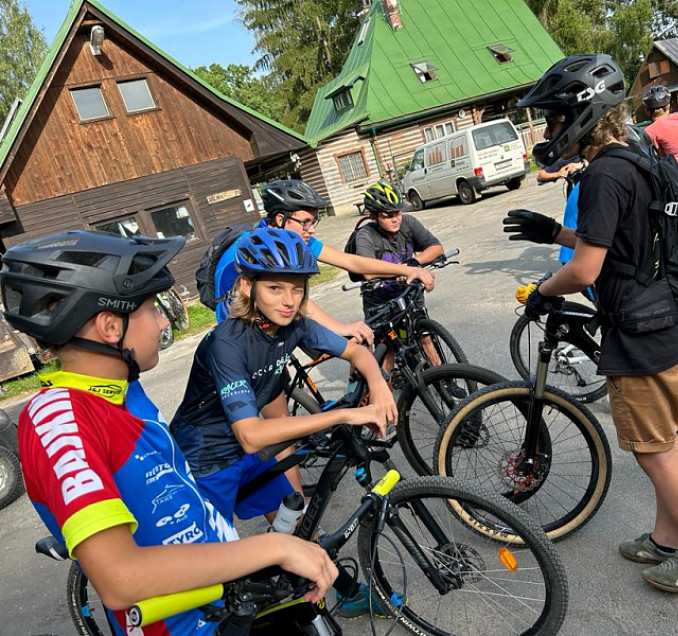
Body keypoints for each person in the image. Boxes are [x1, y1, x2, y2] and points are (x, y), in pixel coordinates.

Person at [1, 230, 337, 635]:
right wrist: (273, 546)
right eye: (152, 309)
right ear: (110, 326)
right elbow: (119, 577)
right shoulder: (59, 417)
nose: (162, 321)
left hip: (223, 598)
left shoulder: (125, 390)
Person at [503, 54, 678, 593]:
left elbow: (584, 270)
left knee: (656, 453)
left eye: (554, 120)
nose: (550, 132)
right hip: (673, 322)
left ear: (582, 116)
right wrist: (553, 232)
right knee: (663, 444)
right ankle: (666, 540)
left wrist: (542, 291)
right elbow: (621, 244)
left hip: (645, 338)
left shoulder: (604, 174)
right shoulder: (635, 156)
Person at [171, 227, 394, 524]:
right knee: (219, 552)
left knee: (297, 530)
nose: (289, 301)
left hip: (243, 453)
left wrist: (379, 385)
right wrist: (343, 415)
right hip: (204, 462)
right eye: (275, 288)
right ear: (247, 286)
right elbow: (251, 435)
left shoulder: (294, 325)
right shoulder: (226, 344)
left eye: (297, 288)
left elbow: (356, 353)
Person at [213, 179, 436, 341]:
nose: (311, 230)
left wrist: (408, 270)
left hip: (277, 313)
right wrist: (341, 328)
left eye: (314, 222)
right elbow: (292, 299)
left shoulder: (295, 238)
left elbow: (351, 262)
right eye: (305, 222)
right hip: (241, 325)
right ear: (280, 219)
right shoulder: (255, 249)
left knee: (354, 346)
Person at [354, 182, 444, 326]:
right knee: (388, 338)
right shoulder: (365, 235)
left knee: (424, 332)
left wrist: (413, 263)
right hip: (380, 300)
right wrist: (401, 270)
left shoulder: (408, 223)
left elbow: (436, 247)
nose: (395, 219)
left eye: (398, 213)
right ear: (373, 216)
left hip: (409, 290)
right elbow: (368, 272)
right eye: (388, 215)